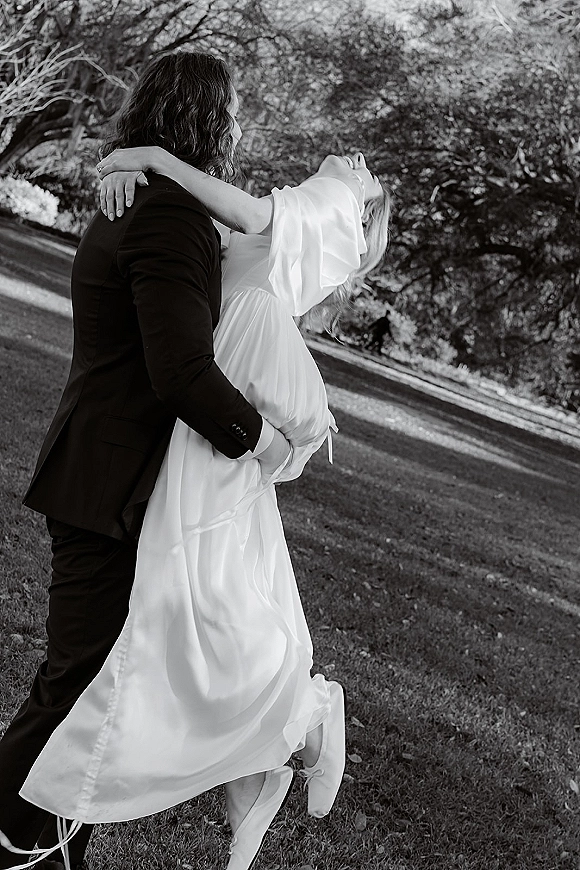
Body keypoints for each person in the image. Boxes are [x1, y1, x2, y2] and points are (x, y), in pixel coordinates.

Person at [13, 143, 390, 870]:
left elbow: (236, 213)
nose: (352, 154)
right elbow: (208, 227)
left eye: (360, 166)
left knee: (195, 603)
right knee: (190, 608)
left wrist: (145, 153)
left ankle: (299, 720)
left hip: (207, 432)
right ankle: (277, 742)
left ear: (360, 207)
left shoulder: (331, 204)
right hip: (188, 435)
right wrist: (131, 175)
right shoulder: (284, 226)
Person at [0, 51, 291, 870]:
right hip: (108, 485)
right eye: (232, 114)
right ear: (210, 119)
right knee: (77, 688)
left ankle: (52, 848)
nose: (238, 128)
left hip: (112, 479)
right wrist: (266, 442)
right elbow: (182, 373)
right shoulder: (160, 214)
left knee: (97, 686)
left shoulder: (140, 196)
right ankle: (19, 842)